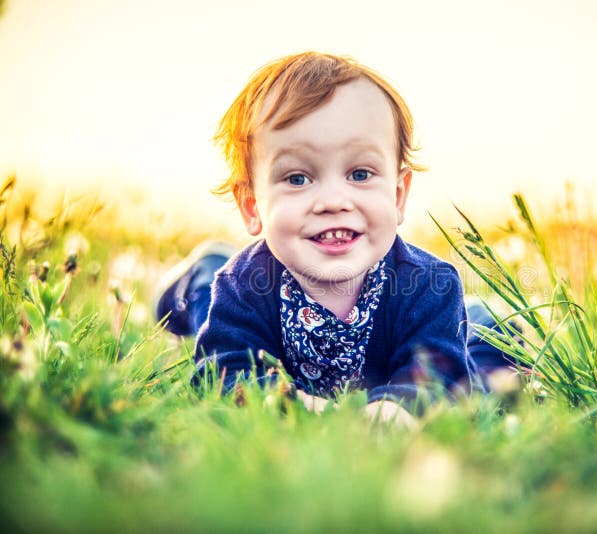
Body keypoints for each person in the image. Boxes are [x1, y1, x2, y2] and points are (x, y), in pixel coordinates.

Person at [155, 52, 515, 424]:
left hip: (459, 331)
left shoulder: (430, 287)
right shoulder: (241, 286)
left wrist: (395, 410)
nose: (332, 201)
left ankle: (484, 320)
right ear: (251, 206)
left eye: (360, 173)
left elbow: (438, 378)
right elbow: (224, 376)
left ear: (397, 195)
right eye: (297, 178)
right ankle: (198, 277)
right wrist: (294, 404)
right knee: (208, 303)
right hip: (235, 291)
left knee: (490, 361)